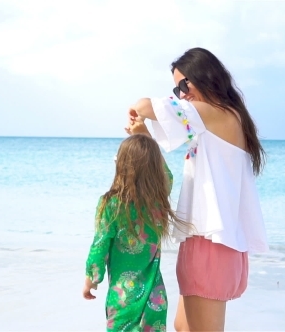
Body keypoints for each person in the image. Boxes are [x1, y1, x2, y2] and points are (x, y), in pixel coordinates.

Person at [127, 47, 269, 331]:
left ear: (206, 76)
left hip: (213, 244)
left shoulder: (218, 113)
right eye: (176, 88)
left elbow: (144, 105)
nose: (181, 94)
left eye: (184, 84)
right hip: (204, 239)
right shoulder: (213, 124)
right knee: (183, 326)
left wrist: (140, 111)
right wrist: (143, 133)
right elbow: (171, 135)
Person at [82, 126, 188, 331]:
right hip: (155, 297)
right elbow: (168, 177)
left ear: (121, 165)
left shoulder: (111, 204)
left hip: (123, 297)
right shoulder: (157, 202)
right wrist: (147, 138)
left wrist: (90, 279)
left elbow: (99, 246)